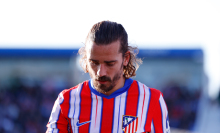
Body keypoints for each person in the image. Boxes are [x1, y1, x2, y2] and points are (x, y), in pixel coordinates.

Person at [46, 20, 170, 133]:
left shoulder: (152, 100)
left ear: (125, 59)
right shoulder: (66, 101)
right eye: (94, 63)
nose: (101, 72)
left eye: (110, 64)